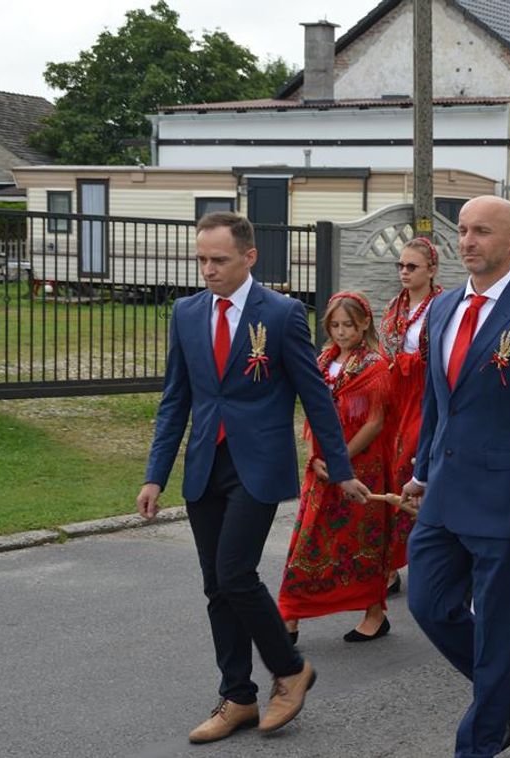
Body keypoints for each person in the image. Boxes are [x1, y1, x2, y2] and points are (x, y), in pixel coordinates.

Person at [137, 212, 369, 744]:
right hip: (204, 466)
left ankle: (290, 669)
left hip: (258, 466)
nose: (208, 270)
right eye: (201, 260)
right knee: (217, 585)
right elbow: (176, 400)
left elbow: (316, 396)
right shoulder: (187, 313)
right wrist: (155, 476)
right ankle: (237, 696)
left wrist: (340, 468)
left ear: (249, 257)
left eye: (218, 260)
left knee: (236, 572)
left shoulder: (283, 314)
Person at [400, 195, 510, 757]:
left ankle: (476, 745)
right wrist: (422, 470)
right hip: (444, 495)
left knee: (498, 629)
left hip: (505, 501)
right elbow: (437, 401)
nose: (468, 241)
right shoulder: (443, 307)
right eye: (464, 231)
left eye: (482, 231)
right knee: (427, 603)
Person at [278, 292, 394, 643]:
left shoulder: (374, 366)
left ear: (364, 325)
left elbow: (375, 422)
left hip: (361, 467)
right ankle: (291, 612)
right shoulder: (322, 361)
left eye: (349, 325)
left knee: (362, 542)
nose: (341, 332)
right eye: (335, 325)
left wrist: (339, 458)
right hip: (322, 466)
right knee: (308, 536)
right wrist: (317, 454)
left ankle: (374, 610)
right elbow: (315, 409)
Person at [378, 237, 442, 590]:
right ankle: (389, 565)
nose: (404, 272)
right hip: (393, 398)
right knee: (387, 475)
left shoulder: (443, 305)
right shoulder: (394, 305)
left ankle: (418, 557)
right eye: (400, 266)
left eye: (412, 266)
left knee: (410, 470)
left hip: (423, 397)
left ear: (431, 269)